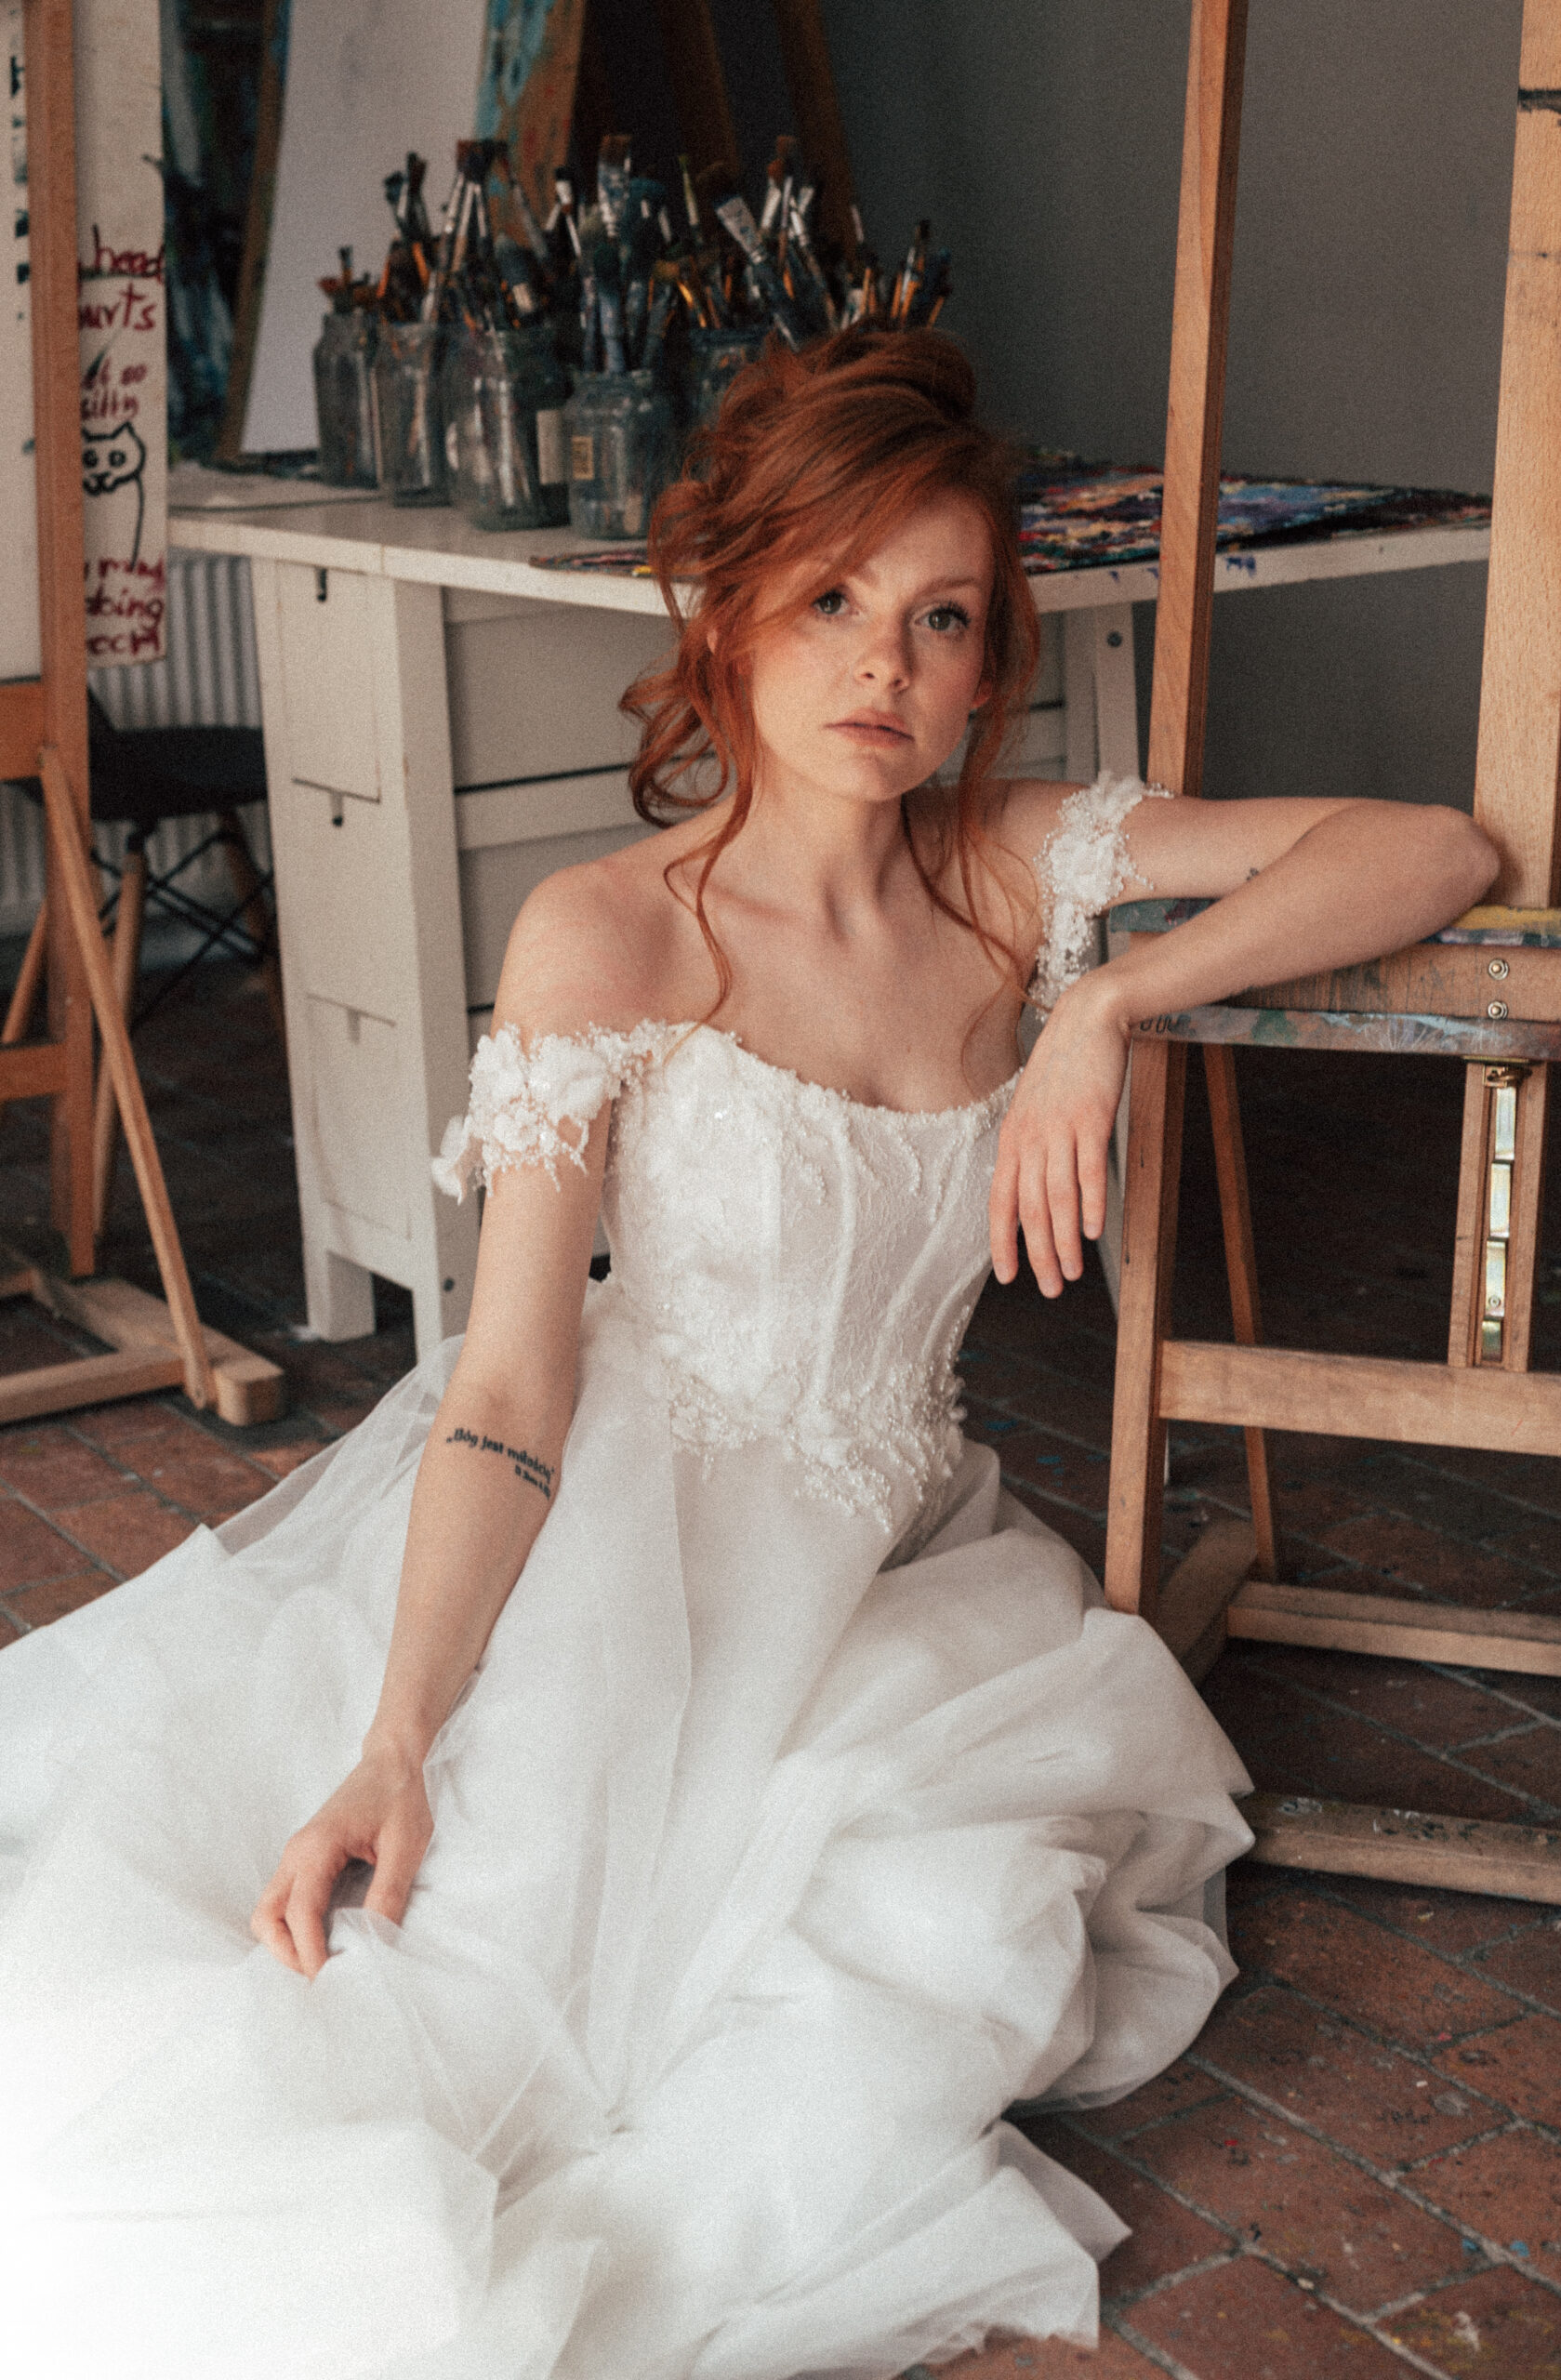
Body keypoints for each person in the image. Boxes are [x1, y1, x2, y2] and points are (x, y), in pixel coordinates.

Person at [0, 331, 1494, 2380]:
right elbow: (510, 1388)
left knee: (917, 1932)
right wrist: (401, 1734)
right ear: (729, 621)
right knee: (448, 2016)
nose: (885, 662)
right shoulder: (612, 931)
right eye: (833, 599)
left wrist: (1107, 1007)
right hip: (612, 1536)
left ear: (987, 662)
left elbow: (1433, 849)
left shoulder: (1016, 872)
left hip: (890, 1556)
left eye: (941, 617)